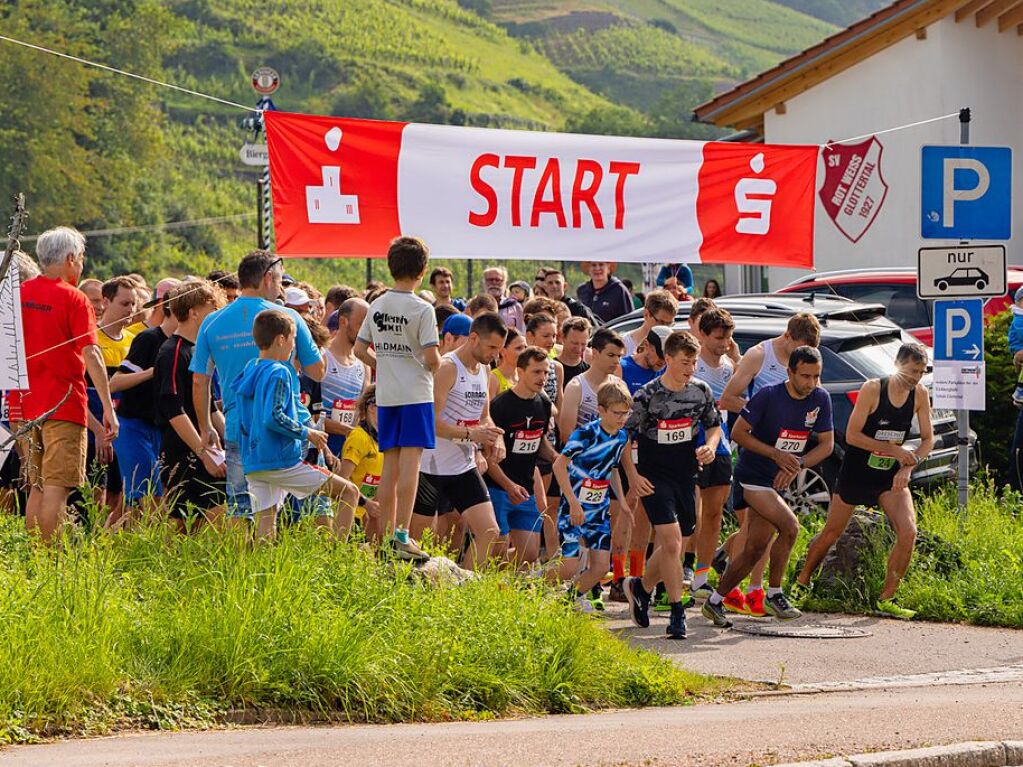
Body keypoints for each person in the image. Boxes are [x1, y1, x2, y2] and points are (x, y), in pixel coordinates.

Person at [794, 343, 932, 619]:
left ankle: (887, 598)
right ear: (897, 365)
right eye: (911, 370)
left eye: (921, 371)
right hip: (857, 472)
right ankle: (801, 583)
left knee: (908, 532)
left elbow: (928, 439)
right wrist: (894, 450)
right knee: (832, 532)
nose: (915, 377)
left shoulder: (919, 394)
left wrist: (909, 464)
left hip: (889, 476)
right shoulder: (873, 389)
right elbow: (853, 435)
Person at [191, 250, 326, 531]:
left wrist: (205, 427)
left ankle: (247, 569)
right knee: (317, 499)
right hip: (290, 427)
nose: (281, 289)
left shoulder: (212, 322)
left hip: (239, 427)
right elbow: (317, 371)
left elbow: (199, 381)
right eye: (279, 281)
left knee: (242, 506)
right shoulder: (286, 316)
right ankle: (325, 563)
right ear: (267, 278)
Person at [703, 346, 834, 628]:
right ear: (790, 372)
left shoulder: (820, 399)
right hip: (753, 475)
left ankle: (714, 601)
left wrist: (797, 464)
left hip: (779, 479)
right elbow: (739, 433)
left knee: (754, 548)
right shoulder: (769, 395)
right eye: (805, 376)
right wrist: (775, 455)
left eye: (816, 376)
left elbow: (827, 444)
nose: (811, 383)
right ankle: (775, 594)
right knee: (790, 527)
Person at [17, 227, 118, 543]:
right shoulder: (74, 298)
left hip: (24, 404)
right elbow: (92, 353)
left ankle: (34, 556)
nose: (82, 265)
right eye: (82, 258)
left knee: (37, 485)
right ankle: (51, 560)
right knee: (58, 488)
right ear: (71, 258)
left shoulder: (17, 295)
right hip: (64, 404)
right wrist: (107, 408)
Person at [718, 312, 821, 616]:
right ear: (787, 337)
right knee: (762, 528)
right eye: (797, 350)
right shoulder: (759, 355)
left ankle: (727, 562)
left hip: (785, 456)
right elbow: (727, 398)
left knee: (761, 528)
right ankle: (752, 591)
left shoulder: (806, 366)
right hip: (757, 448)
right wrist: (764, 411)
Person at [624, 330, 720, 639]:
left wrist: (711, 446)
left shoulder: (701, 391)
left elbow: (714, 426)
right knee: (672, 542)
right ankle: (678, 613)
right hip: (654, 477)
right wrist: (634, 476)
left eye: (693, 363)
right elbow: (625, 438)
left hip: (686, 475)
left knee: (678, 539)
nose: (690, 369)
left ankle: (641, 585)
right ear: (668, 360)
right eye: (683, 362)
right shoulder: (648, 395)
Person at [233, 310, 360, 540]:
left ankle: (263, 575)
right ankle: (339, 559)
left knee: (265, 531)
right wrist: (307, 432)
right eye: (293, 339)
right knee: (349, 492)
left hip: (253, 461)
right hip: (281, 460)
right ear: (281, 339)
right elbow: (273, 416)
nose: (294, 346)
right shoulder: (280, 371)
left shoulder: (251, 367)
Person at [354, 236, 442, 562]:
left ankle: (384, 537)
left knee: (389, 468)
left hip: (388, 395)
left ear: (391, 267)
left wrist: (384, 364)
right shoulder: (422, 308)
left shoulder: (376, 305)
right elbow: (432, 358)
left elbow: (359, 350)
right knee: (411, 467)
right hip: (416, 394)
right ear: (423, 271)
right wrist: (434, 366)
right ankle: (402, 537)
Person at [410, 312, 507, 570]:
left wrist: (495, 437)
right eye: (491, 347)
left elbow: (485, 415)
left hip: (462, 466)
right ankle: (404, 587)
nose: (495, 355)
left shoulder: (485, 369)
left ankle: (463, 586)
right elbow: (430, 423)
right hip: (431, 466)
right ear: (473, 338)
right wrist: (471, 435)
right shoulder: (448, 367)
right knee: (416, 539)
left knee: (488, 531)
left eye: (499, 349)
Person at [554, 380, 642, 611]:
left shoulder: (621, 438)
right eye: (617, 413)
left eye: (626, 413)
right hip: (574, 507)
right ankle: (528, 585)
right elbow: (558, 466)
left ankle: (566, 601)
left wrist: (622, 501)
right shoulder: (585, 434)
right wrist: (572, 503)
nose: (622, 418)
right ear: (601, 410)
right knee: (568, 567)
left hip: (599, 510)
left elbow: (612, 469)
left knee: (602, 566)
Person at [155, 279, 228, 532]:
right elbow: (174, 410)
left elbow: (210, 408)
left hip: (203, 444)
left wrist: (232, 438)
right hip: (182, 447)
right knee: (183, 523)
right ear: (194, 312)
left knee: (208, 516)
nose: (216, 315)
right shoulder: (173, 351)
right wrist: (203, 453)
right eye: (212, 308)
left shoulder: (199, 351)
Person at [108, 280, 181, 521]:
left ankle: (109, 545)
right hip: (133, 426)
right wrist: (152, 372)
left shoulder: (183, 345)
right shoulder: (149, 338)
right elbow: (115, 383)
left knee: (132, 505)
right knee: (152, 501)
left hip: (159, 429)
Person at [487, 346, 559, 566]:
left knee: (528, 556)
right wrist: (508, 486)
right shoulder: (501, 405)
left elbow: (539, 442)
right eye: (536, 372)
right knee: (495, 551)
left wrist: (559, 459)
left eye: (546, 372)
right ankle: (480, 586)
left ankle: (504, 589)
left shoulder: (544, 404)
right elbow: (487, 456)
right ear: (520, 371)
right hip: (498, 487)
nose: (542, 378)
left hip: (525, 488)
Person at [690, 308, 739, 602]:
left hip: (721, 445)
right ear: (704, 334)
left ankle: (701, 577)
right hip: (691, 445)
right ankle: (670, 574)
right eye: (719, 338)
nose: (723, 343)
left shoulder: (729, 367)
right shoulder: (692, 365)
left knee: (713, 513)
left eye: (728, 338)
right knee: (687, 515)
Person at [88, 276, 139, 525]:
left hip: (126, 425)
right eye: (124, 303)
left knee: (121, 491)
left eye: (133, 304)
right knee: (97, 489)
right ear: (106, 302)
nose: (130, 309)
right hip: (96, 425)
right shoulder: (92, 338)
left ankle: (112, 539)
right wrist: (97, 428)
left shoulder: (134, 341)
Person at [313, 297, 370, 460]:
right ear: (343, 321)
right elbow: (311, 413)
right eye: (362, 324)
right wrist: (346, 429)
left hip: (348, 450)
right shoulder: (322, 357)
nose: (367, 332)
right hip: (320, 447)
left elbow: (362, 410)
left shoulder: (363, 363)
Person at [338, 385, 385, 543]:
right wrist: (366, 503)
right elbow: (342, 478)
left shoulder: (381, 440)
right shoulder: (359, 437)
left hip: (361, 514)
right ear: (372, 408)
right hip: (345, 513)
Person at [622, 290, 678, 357]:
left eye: (669, 324)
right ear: (646, 314)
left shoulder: (674, 349)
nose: (665, 328)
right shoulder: (623, 345)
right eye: (661, 322)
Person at [482, 266, 525, 332]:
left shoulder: (515, 306)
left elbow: (521, 333)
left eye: (498, 280)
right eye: (490, 280)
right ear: (484, 282)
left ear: (505, 283)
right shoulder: (477, 305)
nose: (494, 283)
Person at [489, 327, 525, 398]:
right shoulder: (493, 379)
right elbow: (490, 408)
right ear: (503, 351)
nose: (524, 352)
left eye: (525, 347)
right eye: (518, 348)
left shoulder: (525, 376)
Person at [557, 317, 591, 387]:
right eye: (574, 343)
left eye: (583, 344)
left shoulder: (588, 372)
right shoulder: (550, 369)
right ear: (563, 338)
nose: (579, 349)